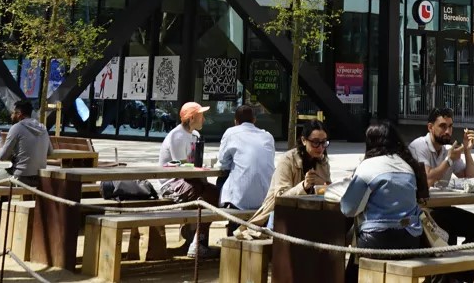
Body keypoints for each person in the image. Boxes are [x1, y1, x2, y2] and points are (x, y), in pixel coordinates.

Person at [100, 101, 220, 258]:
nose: (203, 119)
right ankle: (196, 241)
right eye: (201, 116)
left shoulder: (196, 136)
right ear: (191, 118)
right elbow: (181, 167)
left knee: (213, 193)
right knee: (206, 193)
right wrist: (201, 169)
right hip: (171, 184)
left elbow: (192, 166)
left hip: (190, 182)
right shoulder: (176, 136)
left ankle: (196, 239)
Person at [341, 122, 429, 282]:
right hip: (410, 238)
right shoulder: (408, 166)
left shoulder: (367, 166)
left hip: (377, 240)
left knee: (353, 263)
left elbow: (348, 209)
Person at [408, 107, 474, 245]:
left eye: (450, 126)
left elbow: (470, 178)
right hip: (422, 212)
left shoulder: (447, 150)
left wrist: (467, 150)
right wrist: (449, 161)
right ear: (430, 127)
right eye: (443, 126)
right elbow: (427, 180)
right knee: (450, 228)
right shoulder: (418, 146)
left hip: (443, 208)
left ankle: (464, 259)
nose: (448, 131)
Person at [247, 120, 331, 231]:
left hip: (310, 213)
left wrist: (327, 187)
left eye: (323, 142)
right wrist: (303, 187)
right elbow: (280, 197)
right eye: (315, 142)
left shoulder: (323, 162)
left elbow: (326, 189)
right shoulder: (287, 160)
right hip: (280, 214)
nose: (320, 148)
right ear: (304, 140)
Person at [215, 106, 277, 214]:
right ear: (254, 120)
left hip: (240, 200)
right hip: (266, 198)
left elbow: (222, 163)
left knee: (221, 179)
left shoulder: (231, 133)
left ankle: (224, 211)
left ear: (235, 121)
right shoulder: (268, 136)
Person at [0, 99, 50, 186]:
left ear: (19, 114)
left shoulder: (17, 127)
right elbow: (50, 152)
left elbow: (2, 156)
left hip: (20, 178)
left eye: (13, 113)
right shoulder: (43, 128)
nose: (11, 116)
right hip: (39, 178)